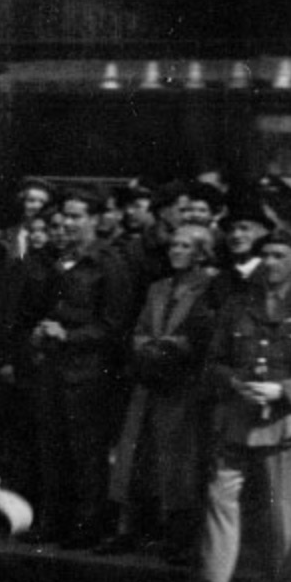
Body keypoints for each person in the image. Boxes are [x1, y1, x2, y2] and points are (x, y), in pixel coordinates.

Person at [184, 229, 291, 582]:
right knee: (219, 506)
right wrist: (234, 383)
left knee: (283, 518)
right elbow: (214, 361)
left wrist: (282, 390)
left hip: (284, 427)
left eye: (280, 254)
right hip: (236, 420)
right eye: (265, 254)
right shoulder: (237, 305)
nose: (270, 262)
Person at [21, 187, 132, 546]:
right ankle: (53, 523)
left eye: (76, 217)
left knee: (86, 454)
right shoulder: (56, 261)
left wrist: (68, 335)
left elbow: (115, 326)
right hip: (52, 370)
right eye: (64, 217)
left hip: (89, 375)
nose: (67, 224)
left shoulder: (109, 264)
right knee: (52, 450)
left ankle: (86, 528)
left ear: (95, 221)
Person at [105, 223, 220, 562]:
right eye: (174, 245)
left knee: (178, 461)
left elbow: (203, 334)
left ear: (201, 252)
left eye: (185, 246)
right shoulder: (158, 288)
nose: (176, 251)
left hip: (182, 384)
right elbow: (140, 328)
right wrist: (147, 347)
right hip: (149, 379)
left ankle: (179, 535)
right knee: (135, 455)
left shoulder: (209, 288)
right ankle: (129, 529)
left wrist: (173, 347)